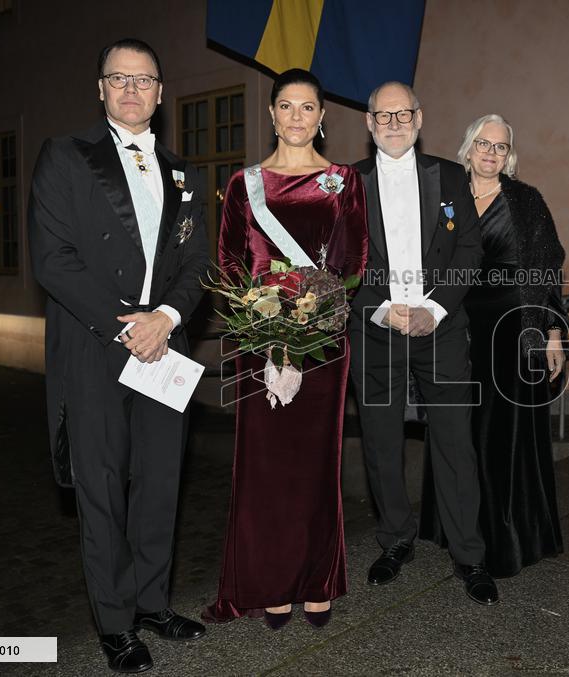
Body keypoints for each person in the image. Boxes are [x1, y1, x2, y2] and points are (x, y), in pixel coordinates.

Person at [28, 38, 210, 673]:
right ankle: (113, 622)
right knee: (102, 487)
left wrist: (166, 318)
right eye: (119, 79)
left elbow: (198, 264)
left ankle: (152, 603)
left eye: (145, 80)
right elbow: (52, 261)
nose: (132, 90)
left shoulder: (188, 174)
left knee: (160, 482)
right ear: (100, 89)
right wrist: (125, 325)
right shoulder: (64, 156)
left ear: (161, 93)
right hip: (94, 344)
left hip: (166, 345)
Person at [203, 69, 368, 630]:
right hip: (257, 340)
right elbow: (228, 260)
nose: (296, 116)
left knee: (317, 465)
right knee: (267, 466)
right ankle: (273, 580)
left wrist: (317, 310)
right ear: (271, 114)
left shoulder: (344, 181)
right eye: (286, 106)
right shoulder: (244, 183)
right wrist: (259, 316)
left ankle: (316, 578)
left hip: (321, 341)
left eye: (307, 107)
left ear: (323, 118)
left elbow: (354, 260)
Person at [349, 82, 499, 606]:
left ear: (419, 117)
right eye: (382, 115)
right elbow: (339, 260)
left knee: (455, 442)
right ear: (369, 123)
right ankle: (395, 540)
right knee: (383, 442)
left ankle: (470, 553)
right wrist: (383, 308)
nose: (393, 123)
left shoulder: (451, 175)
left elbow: (470, 247)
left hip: (443, 328)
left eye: (403, 113)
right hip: (375, 331)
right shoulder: (348, 182)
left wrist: (435, 309)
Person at [419, 114, 567, 578]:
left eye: (500, 147)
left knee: (499, 434)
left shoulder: (526, 201)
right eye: (483, 143)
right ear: (468, 147)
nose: (490, 152)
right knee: (453, 428)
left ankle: (502, 534)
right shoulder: (445, 196)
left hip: (509, 331)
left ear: (509, 156)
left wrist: (553, 333)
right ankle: (454, 526)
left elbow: (546, 270)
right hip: (451, 325)